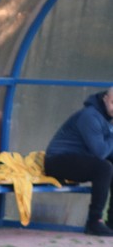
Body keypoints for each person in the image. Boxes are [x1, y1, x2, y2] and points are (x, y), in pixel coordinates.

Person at [44, 88, 113, 236]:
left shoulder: (106, 118)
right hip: (56, 161)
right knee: (104, 168)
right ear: (105, 99)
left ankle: (112, 222)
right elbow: (100, 152)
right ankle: (94, 222)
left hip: (78, 159)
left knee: (107, 167)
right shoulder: (90, 116)